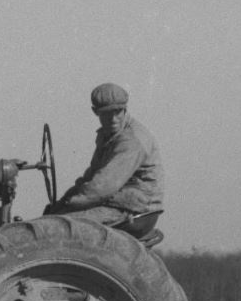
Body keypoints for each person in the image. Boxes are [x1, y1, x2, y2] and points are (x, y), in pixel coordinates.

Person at [45, 83, 163, 228]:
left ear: (125, 109)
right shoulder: (108, 136)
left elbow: (102, 187)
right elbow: (91, 177)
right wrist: (62, 202)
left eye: (118, 112)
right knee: (51, 220)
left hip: (131, 209)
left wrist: (70, 203)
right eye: (107, 113)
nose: (113, 119)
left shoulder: (131, 140)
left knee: (55, 227)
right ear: (95, 112)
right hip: (117, 203)